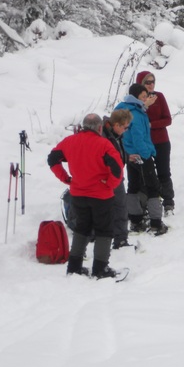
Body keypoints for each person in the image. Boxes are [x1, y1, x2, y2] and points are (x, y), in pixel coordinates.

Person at [47, 113, 124, 278]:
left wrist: (66, 178)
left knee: (81, 229)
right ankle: (100, 268)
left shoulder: (69, 141)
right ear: (99, 127)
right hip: (101, 195)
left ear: (83, 126)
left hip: (78, 194)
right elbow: (117, 169)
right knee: (104, 230)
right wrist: (109, 184)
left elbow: (52, 159)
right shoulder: (104, 144)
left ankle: (74, 267)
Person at [115, 84, 168, 235]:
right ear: (136, 97)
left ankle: (136, 220)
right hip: (141, 155)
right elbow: (138, 138)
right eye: (143, 97)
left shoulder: (125, 108)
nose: (146, 99)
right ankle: (156, 223)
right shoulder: (136, 115)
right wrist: (147, 154)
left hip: (129, 155)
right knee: (153, 187)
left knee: (133, 186)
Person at [137, 71, 175, 215]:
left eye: (153, 81)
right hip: (144, 143)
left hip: (161, 141)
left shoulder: (159, 96)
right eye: (147, 82)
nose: (151, 85)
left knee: (164, 172)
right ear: (140, 84)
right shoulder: (137, 101)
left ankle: (169, 203)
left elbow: (168, 119)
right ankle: (148, 202)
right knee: (145, 174)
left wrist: (151, 125)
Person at [102, 109, 134, 250]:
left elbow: (117, 153)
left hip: (114, 176)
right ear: (117, 125)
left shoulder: (114, 135)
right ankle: (119, 240)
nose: (126, 130)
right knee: (119, 207)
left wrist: (127, 157)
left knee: (118, 207)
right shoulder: (104, 136)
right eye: (125, 127)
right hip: (108, 177)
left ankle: (118, 238)